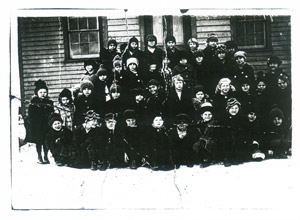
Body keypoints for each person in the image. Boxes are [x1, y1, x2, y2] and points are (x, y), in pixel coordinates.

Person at [26, 79, 54, 164]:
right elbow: (31, 115)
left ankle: (45, 156)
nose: (43, 94)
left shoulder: (49, 103)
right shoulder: (33, 103)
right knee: (39, 141)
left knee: (46, 141)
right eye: (41, 92)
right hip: (37, 125)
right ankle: (39, 156)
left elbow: (51, 112)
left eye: (45, 92)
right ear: (37, 93)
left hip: (46, 125)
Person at [193, 102, 222, 167]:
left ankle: (209, 159)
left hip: (212, 144)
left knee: (207, 143)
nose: (207, 116)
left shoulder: (215, 123)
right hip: (201, 143)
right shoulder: (199, 124)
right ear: (201, 115)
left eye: (209, 114)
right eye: (205, 114)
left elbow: (218, 136)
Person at [219, 97, 245, 166]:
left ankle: (237, 157)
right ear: (228, 109)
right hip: (227, 140)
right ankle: (226, 158)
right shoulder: (224, 119)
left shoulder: (241, 119)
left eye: (236, 108)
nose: (234, 110)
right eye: (232, 108)